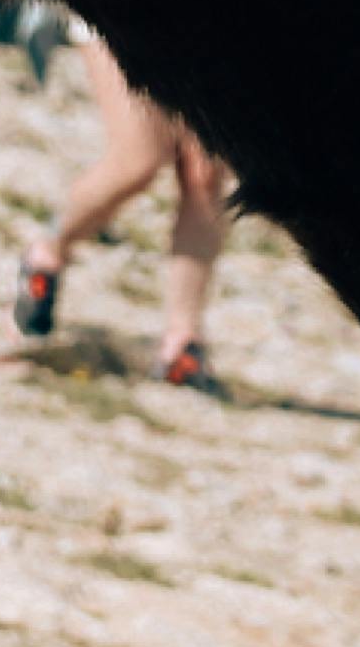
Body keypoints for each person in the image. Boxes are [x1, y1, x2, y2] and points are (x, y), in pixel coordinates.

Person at [15, 22, 232, 389]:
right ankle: (47, 252)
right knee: (140, 158)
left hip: (209, 13)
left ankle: (182, 342)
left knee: (205, 172)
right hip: (121, 1)